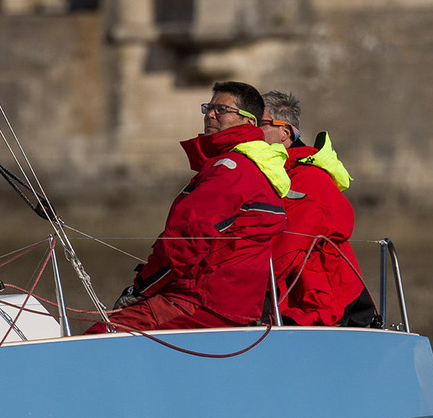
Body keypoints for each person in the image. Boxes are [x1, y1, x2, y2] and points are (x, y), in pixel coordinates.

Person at [93, 80, 290, 333]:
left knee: (101, 335)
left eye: (222, 110)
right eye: (208, 107)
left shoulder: (231, 169)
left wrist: (141, 288)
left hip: (200, 301)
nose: (210, 114)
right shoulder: (254, 168)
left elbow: (185, 240)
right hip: (230, 306)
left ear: (249, 122)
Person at [261, 91, 381, 328]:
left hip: (322, 308)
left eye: (259, 124)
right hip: (297, 302)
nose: (250, 131)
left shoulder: (307, 179)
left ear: (285, 132)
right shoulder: (277, 176)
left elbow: (284, 250)